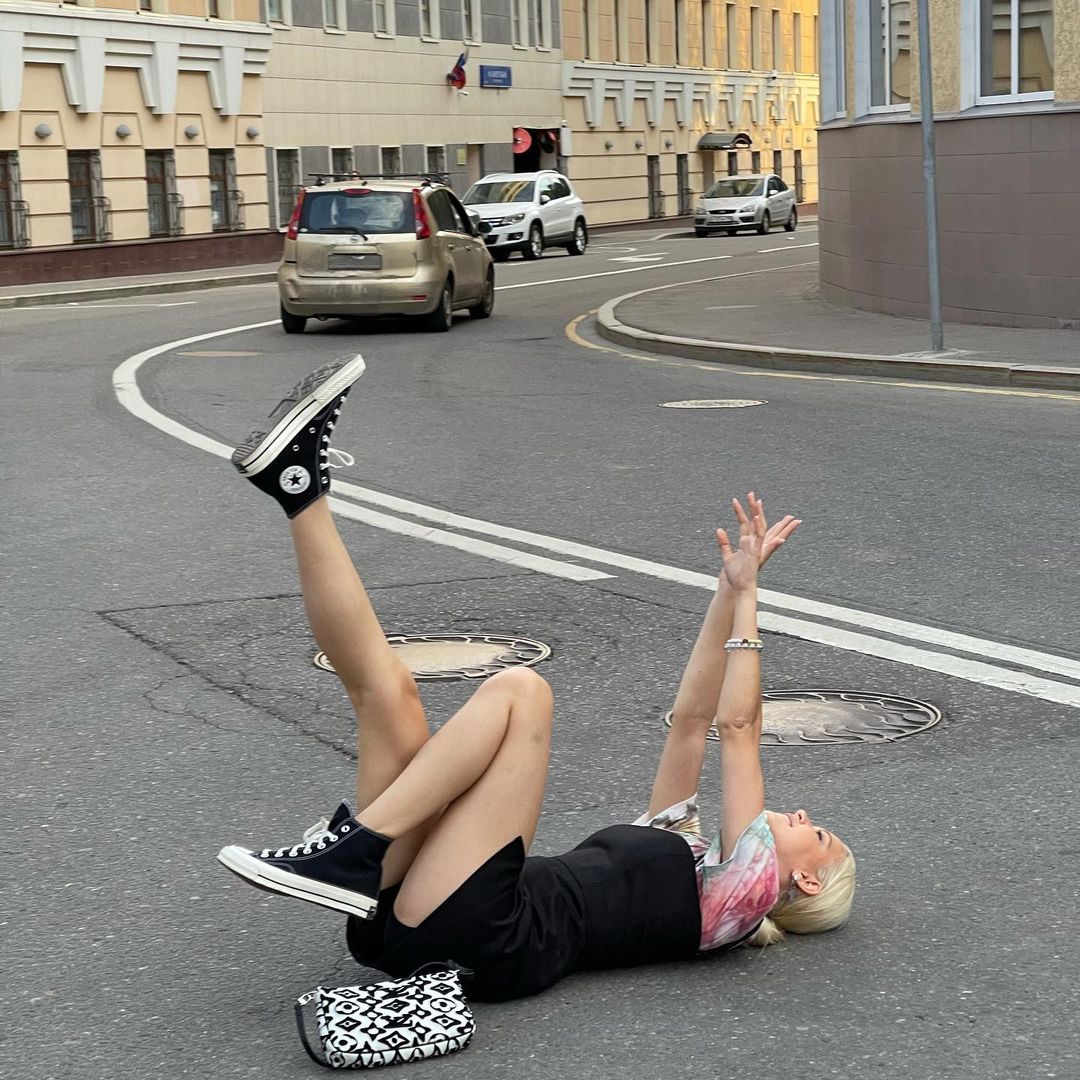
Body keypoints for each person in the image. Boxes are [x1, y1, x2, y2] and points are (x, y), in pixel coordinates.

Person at [218, 356, 856, 1002]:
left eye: (818, 834)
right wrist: (730, 587)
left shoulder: (741, 903)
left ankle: (355, 851)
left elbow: (738, 726)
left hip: (492, 936)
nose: (805, 816)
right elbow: (692, 722)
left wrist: (749, 604)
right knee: (390, 695)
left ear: (804, 881)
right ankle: (299, 488)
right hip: (433, 912)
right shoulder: (688, 851)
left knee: (523, 691)